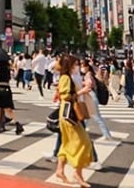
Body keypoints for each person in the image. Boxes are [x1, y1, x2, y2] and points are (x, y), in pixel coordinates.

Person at [56, 55, 94, 186]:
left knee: (66, 143)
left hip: (68, 114)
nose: (77, 66)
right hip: (69, 115)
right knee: (83, 142)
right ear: (69, 65)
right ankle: (77, 173)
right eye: (75, 64)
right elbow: (64, 96)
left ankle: (60, 170)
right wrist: (81, 92)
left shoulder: (68, 77)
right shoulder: (65, 78)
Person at [80, 60, 116, 142]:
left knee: (97, 117)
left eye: (83, 66)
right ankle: (81, 132)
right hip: (91, 96)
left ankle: (107, 135)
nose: (82, 68)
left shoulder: (88, 74)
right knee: (87, 117)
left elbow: (90, 84)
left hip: (91, 96)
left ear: (87, 67)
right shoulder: (89, 74)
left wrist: (81, 82)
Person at [0, 58, 24, 135]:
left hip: (1, 89)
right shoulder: (7, 70)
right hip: (7, 89)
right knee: (8, 109)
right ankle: (17, 123)